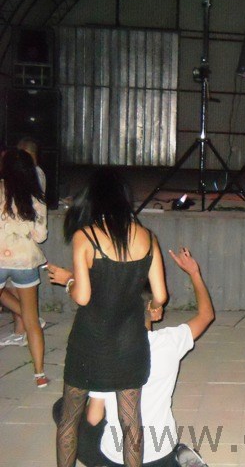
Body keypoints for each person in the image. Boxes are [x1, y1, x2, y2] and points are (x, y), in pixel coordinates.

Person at [48, 167, 168, 467]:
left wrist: (68, 280)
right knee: (131, 422)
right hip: (130, 343)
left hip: (90, 342)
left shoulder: (85, 237)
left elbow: (83, 297)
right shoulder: (147, 237)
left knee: (70, 419)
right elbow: (161, 295)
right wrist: (154, 306)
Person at [52, 247, 212, 467]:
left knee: (63, 410)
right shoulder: (170, 341)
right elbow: (206, 315)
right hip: (163, 451)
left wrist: (71, 280)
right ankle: (178, 458)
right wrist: (194, 272)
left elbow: (94, 417)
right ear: (154, 311)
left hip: (120, 459)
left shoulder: (103, 351)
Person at [0, 149, 48, 386]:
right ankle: (40, 375)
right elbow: (40, 236)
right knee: (31, 319)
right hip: (26, 261)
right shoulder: (35, 198)